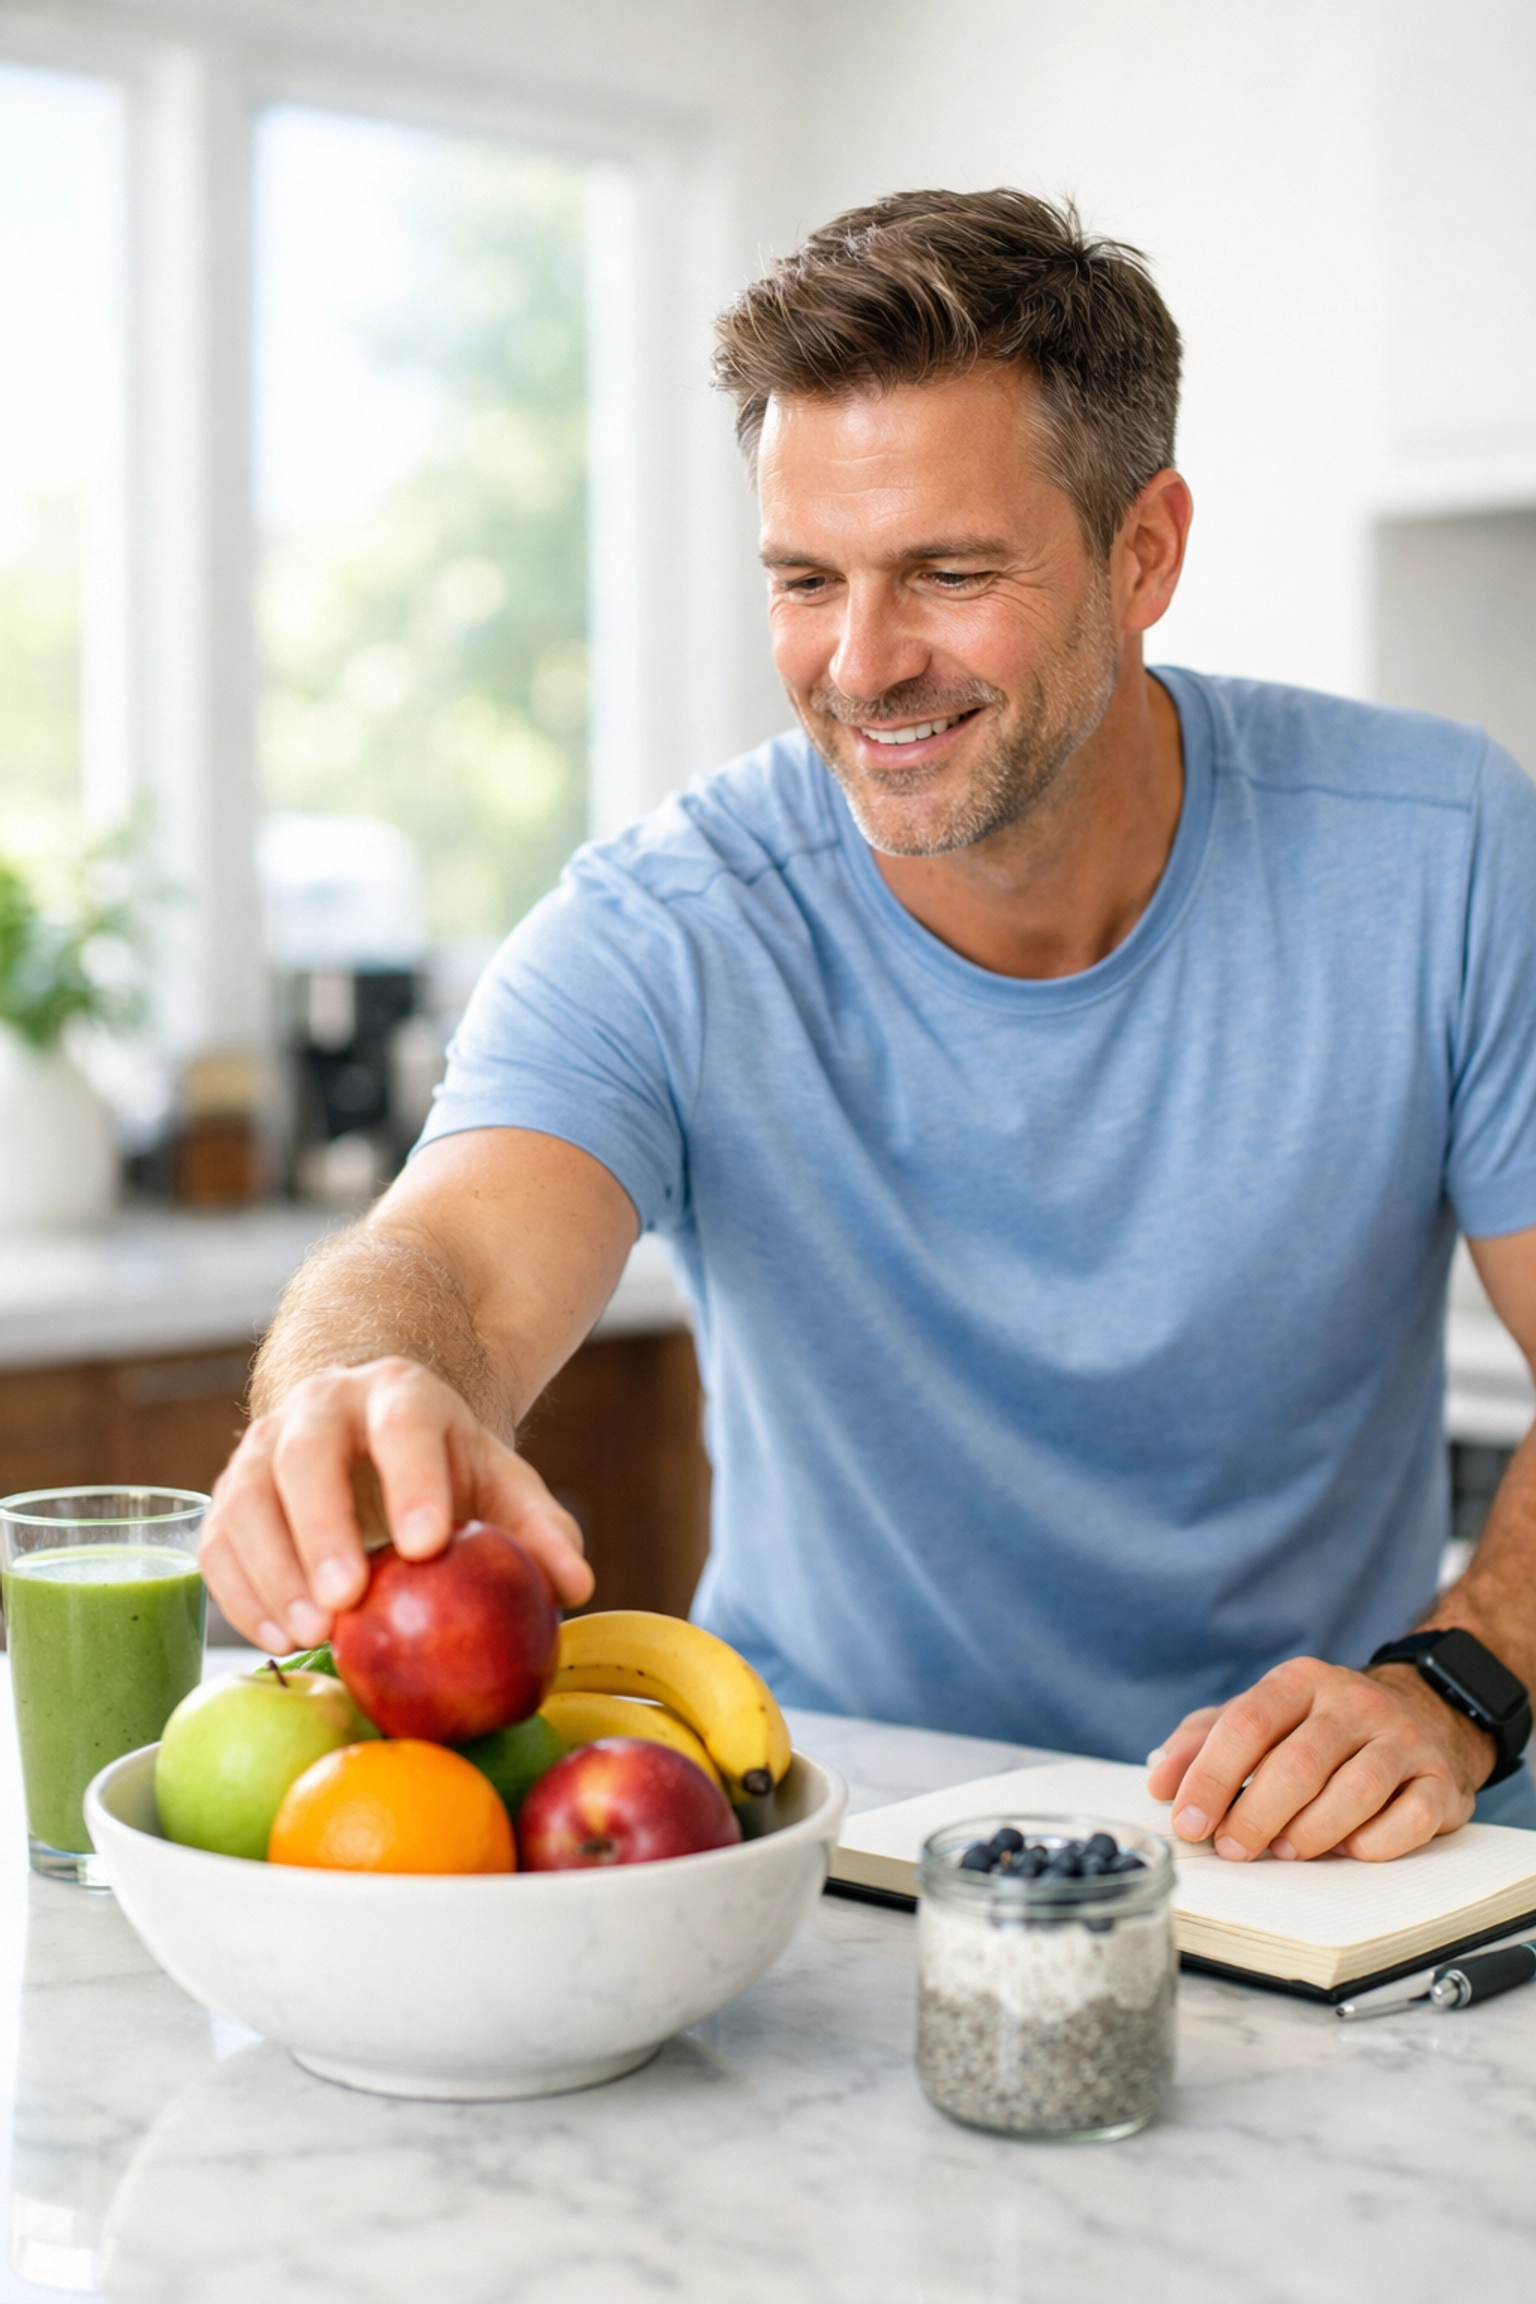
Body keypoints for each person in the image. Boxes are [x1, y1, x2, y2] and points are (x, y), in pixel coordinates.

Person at [201, 189, 1536, 1864]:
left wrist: (1463, 1675)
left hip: (1313, 1839)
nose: (860, 661)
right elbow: (445, 1271)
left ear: (1146, 552)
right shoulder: (671, 925)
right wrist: (357, 1378)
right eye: (804, 579)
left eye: (948, 573)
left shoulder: (1443, 850)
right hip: (824, 1841)